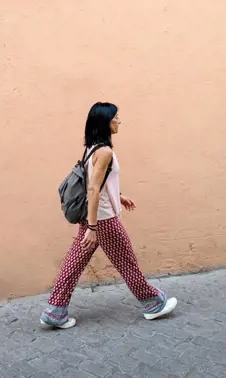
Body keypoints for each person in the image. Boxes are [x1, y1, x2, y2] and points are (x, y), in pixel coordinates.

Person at [40, 102, 177, 329]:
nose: (119, 121)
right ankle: (152, 303)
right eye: (116, 117)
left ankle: (55, 310)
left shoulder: (91, 148)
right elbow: (93, 189)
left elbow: (97, 184)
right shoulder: (105, 152)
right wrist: (93, 228)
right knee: (127, 262)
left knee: (73, 264)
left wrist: (118, 195)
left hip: (94, 216)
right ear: (105, 122)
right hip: (103, 220)